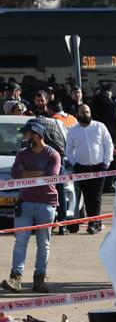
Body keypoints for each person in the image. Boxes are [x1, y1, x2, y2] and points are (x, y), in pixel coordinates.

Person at [3, 120, 60, 293]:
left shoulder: (53, 154)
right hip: (25, 201)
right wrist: (38, 174)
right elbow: (14, 174)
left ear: (36, 134)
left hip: (47, 203)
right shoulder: (22, 153)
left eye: (26, 133)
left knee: (44, 243)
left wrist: (26, 173)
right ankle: (15, 278)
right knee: (20, 241)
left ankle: (39, 279)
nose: (23, 136)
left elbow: (51, 176)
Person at [64, 103, 112, 235]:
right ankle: (89, 222)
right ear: (77, 114)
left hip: (98, 167)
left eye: (87, 112)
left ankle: (94, 224)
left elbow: (109, 145)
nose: (85, 114)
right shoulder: (73, 130)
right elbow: (68, 149)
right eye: (82, 112)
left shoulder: (99, 127)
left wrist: (106, 163)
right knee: (86, 196)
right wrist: (74, 164)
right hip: (81, 169)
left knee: (95, 197)